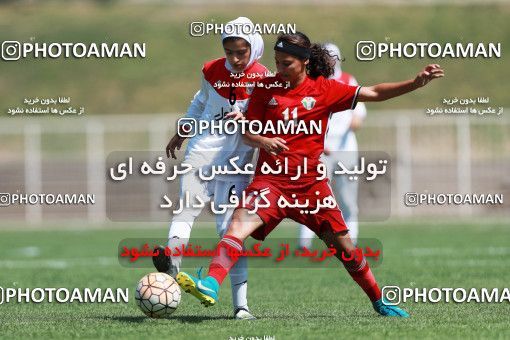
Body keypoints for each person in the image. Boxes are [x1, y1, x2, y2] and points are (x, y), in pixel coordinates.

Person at [176, 32, 444, 318]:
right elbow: (248, 131)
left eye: (286, 63)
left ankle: (379, 301)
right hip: (271, 182)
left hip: (311, 187)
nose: (279, 69)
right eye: (277, 62)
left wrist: (415, 83)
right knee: (236, 227)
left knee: (345, 249)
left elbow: (375, 92)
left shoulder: (326, 89)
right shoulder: (266, 88)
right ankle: (210, 284)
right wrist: (265, 142)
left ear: (304, 61)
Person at [153, 17, 267, 320]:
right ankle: (172, 266)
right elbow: (201, 101)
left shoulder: (264, 78)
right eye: (229, 52)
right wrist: (184, 127)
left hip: (236, 162)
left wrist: (248, 123)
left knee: (228, 230)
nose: (234, 59)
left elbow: (267, 123)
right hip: (201, 152)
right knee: (185, 210)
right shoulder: (211, 69)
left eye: (241, 52)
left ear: (253, 47)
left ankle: (241, 307)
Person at [298, 42, 366, 248]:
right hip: (319, 151)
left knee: (347, 198)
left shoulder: (348, 80)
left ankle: (350, 241)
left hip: (345, 150)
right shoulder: (313, 83)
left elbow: (358, 115)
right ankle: (305, 242)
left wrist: (353, 123)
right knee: (313, 197)